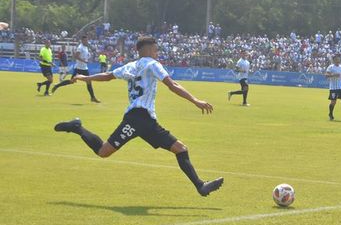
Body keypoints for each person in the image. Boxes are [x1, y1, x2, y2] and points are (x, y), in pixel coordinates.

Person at [53, 37, 223, 197]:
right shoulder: (152, 64)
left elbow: (108, 76)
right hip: (140, 119)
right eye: (156, 50)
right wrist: (195, 100)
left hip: (141, 119)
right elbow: (172, 84)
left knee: (106, 151)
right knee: (178, 149)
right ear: (149, 50)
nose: (157, 54)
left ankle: (200, 186)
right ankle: (200, 186)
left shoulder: (130, 66)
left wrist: (86, 77)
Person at [52, 35, 100, 103]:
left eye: (87, 40)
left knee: (89, 82)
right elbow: (76, 56)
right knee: (72, 81)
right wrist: (84, 61)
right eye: (85, 40)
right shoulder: (80, 47)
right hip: (79, 68)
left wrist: (88, 57)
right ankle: (57, 85)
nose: (87, 41)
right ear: (82, 40)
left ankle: (92, 98)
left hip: (84, 68)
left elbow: (84, 56)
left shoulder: (85, 47)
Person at [325, 54, 341, 122]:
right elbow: (326, 75)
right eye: (336, 59)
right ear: (334, 60)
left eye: (338, 59)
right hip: (333, 88)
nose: (338, 60)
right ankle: (330, 114)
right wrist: (333, 75)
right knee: (333, 102)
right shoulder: (330, 67)